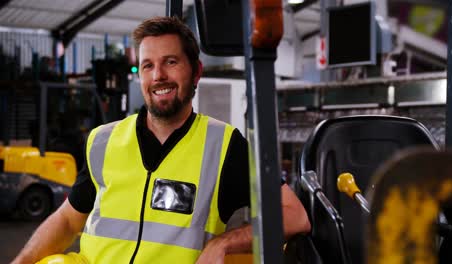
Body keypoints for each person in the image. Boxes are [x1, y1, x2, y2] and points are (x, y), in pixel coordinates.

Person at [13, 16, 310, 264]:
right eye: (147, 65)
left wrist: (224, 243)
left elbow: (295, 216)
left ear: (196, 72)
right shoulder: (104, 141)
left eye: (171, 62)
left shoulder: (223, 146)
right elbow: (67, 221)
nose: (158, 76)